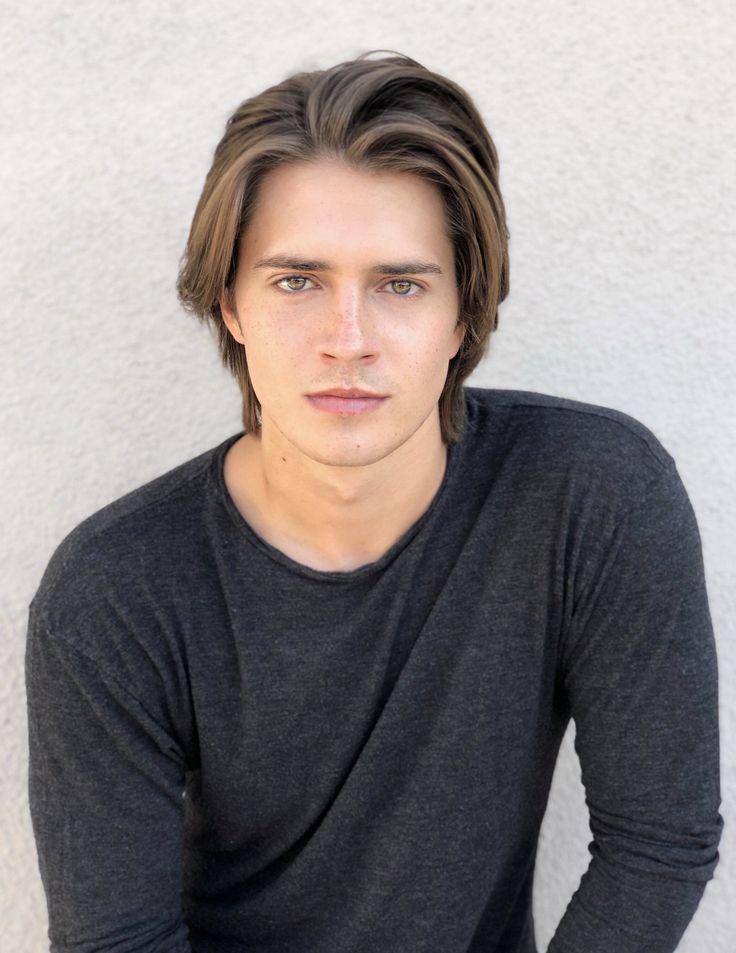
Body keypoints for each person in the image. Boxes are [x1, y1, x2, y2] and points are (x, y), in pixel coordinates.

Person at [25, 50, 722, 953]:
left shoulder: (590, 498)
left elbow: (657, 841)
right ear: (229, 302)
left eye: (400, 284)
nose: (346, 341)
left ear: (464, 311)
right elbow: (116, 942)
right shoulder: (117, 592)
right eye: (297, 280)